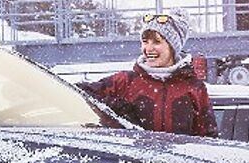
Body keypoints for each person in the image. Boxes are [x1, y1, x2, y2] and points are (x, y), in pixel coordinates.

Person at [81, 10, 218, 137]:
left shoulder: (194, 88)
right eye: (145, 42)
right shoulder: (125, 81)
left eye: (157, 42)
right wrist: (116, 109)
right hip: (136, 162)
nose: (149, 48)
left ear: (173, 47)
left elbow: (208, 138)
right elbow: (79, 93)